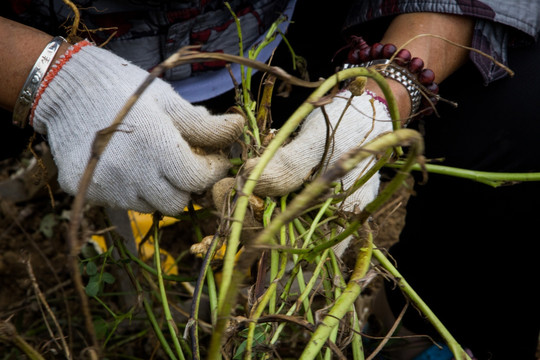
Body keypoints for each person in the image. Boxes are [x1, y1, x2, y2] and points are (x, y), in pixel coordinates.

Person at [1, 1, 539, 359]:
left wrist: (388, 87)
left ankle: (421, 327)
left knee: (524, 117)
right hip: (30, 30)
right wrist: (45, 74)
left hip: (286, 26)